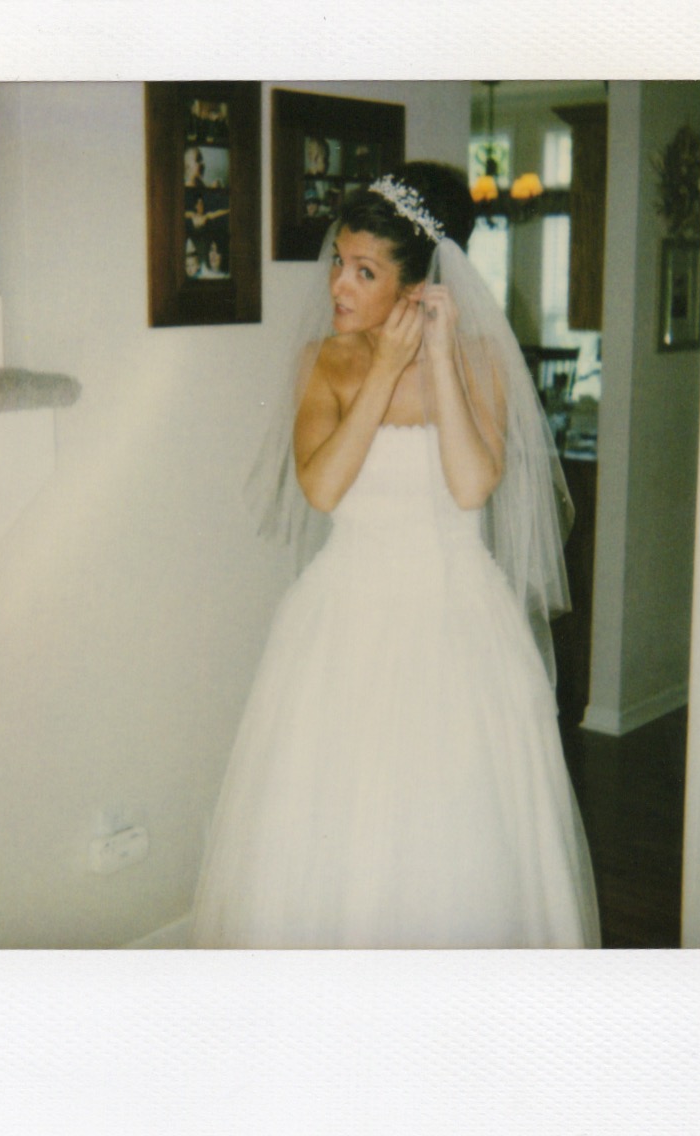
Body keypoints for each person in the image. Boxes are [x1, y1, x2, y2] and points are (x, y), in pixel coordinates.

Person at [190, 163, 600, 948]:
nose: (338, 284)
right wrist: (380, 370)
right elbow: (322, 488)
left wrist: (437, 358)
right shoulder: (323, 361)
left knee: (453, 838)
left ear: (417, 286)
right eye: (339, 262)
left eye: (364, 271)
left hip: (456, 621)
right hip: (346, 617)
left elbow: (472, 485)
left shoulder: (481, 361)